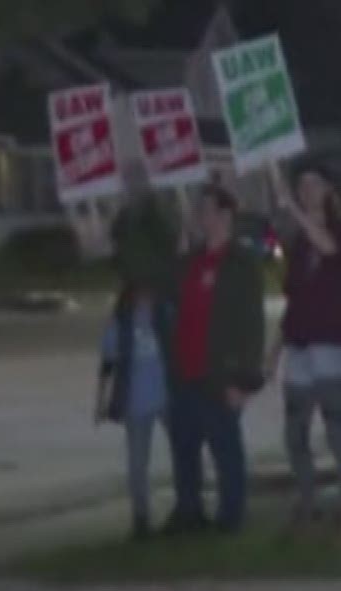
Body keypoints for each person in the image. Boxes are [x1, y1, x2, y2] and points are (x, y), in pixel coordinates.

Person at [266, 162, 341, 544]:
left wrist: (292, 208)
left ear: (328, 190)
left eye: (314, 185)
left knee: (336, 427)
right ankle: (308, 503)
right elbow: (294, 301)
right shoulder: (297, 244)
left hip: (332, 344)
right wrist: (275, 351)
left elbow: (329, 248)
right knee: (295, 431)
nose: (306, 191)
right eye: (301, 185)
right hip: (301, 344)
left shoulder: (339, 232)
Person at [165, 184, 266, 536]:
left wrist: (244, 379)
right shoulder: (189, 261)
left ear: (225, 216)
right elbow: (168, 297)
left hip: (220, 374)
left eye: (207, 210)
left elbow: (252, 325)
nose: (201, 217)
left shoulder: (240, 264)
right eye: (199, 211)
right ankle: (188, 511)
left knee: (225, 449)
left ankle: (230, 517)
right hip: (185, 372)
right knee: (184, 448)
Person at [95, 282, 170, 540]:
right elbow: (108, 362)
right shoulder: (122, 322)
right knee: (138, 464)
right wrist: (101, 400)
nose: (145, 296)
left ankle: (188, 508)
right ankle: (141, 519)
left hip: (167, 398)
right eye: (140, 291)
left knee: (184, 452)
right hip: (136, 402)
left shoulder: (164, 315)